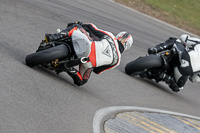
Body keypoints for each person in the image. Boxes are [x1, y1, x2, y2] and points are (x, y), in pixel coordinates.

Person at [46, 21, 133, 86]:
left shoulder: (111, 36)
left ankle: (55, 36)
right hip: (88, 63)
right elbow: (97, 70)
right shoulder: (117, 61)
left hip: (87, 47)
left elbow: (93, 29)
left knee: (76, 26)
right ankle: (69, 67)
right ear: (127, 48)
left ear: (118, 36)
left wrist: (83, 25)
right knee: (82, 81)